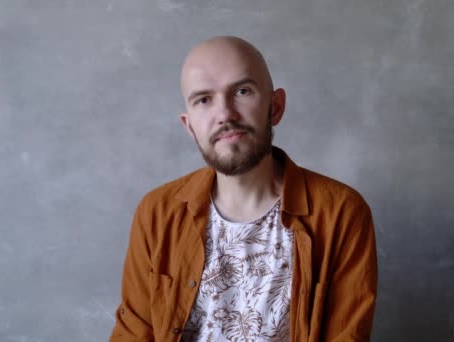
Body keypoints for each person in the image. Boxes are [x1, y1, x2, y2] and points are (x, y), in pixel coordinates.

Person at [109, 36, 377, 342]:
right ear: (190, 125)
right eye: (204, 100)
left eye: (242, 91)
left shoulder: (341, 213)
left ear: (275, 107)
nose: (225, 114)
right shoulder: (156, 213)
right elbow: (133, 333)